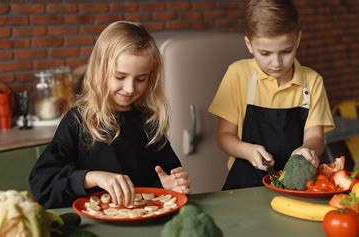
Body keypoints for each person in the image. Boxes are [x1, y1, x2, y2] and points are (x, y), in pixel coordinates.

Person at [29, 21, 191, 209]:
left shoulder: (149, 123)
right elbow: (42, 185)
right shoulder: (77, 121)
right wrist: (91, 177)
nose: (130, 89)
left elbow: (163, 184)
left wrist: (169, 186)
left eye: (141, 79)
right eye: (120, 77)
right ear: (100, 70)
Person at [208, 0, 335, 190]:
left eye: (286, 51)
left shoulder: (312, 81)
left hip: (297, 186)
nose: (276, 62)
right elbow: (224, 136)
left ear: (298, 40)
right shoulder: (238, 74)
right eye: (265, 53)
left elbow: (316, 138)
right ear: (249, 44)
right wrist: (247, 150)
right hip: (245, 185)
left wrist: (307, 150)